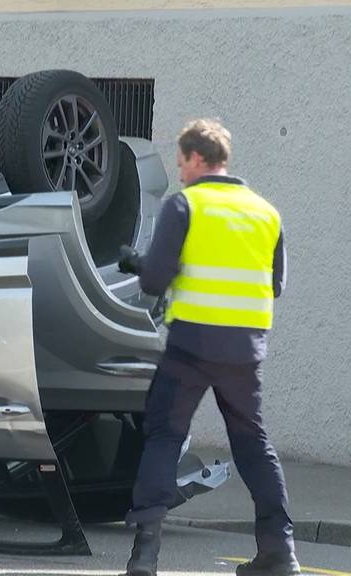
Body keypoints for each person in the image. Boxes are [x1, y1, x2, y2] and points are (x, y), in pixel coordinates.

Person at [118, 119, 299, 576]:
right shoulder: (266, 212)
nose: (179, 173)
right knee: (253, 444)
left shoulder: (186, 205)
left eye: (181, 163)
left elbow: (156, 279)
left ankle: (145, 555)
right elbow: (274, 285)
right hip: (244, 351)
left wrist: (137, 263)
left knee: (164, 436)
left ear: (198, 159)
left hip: (191, 347)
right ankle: (280, 554)